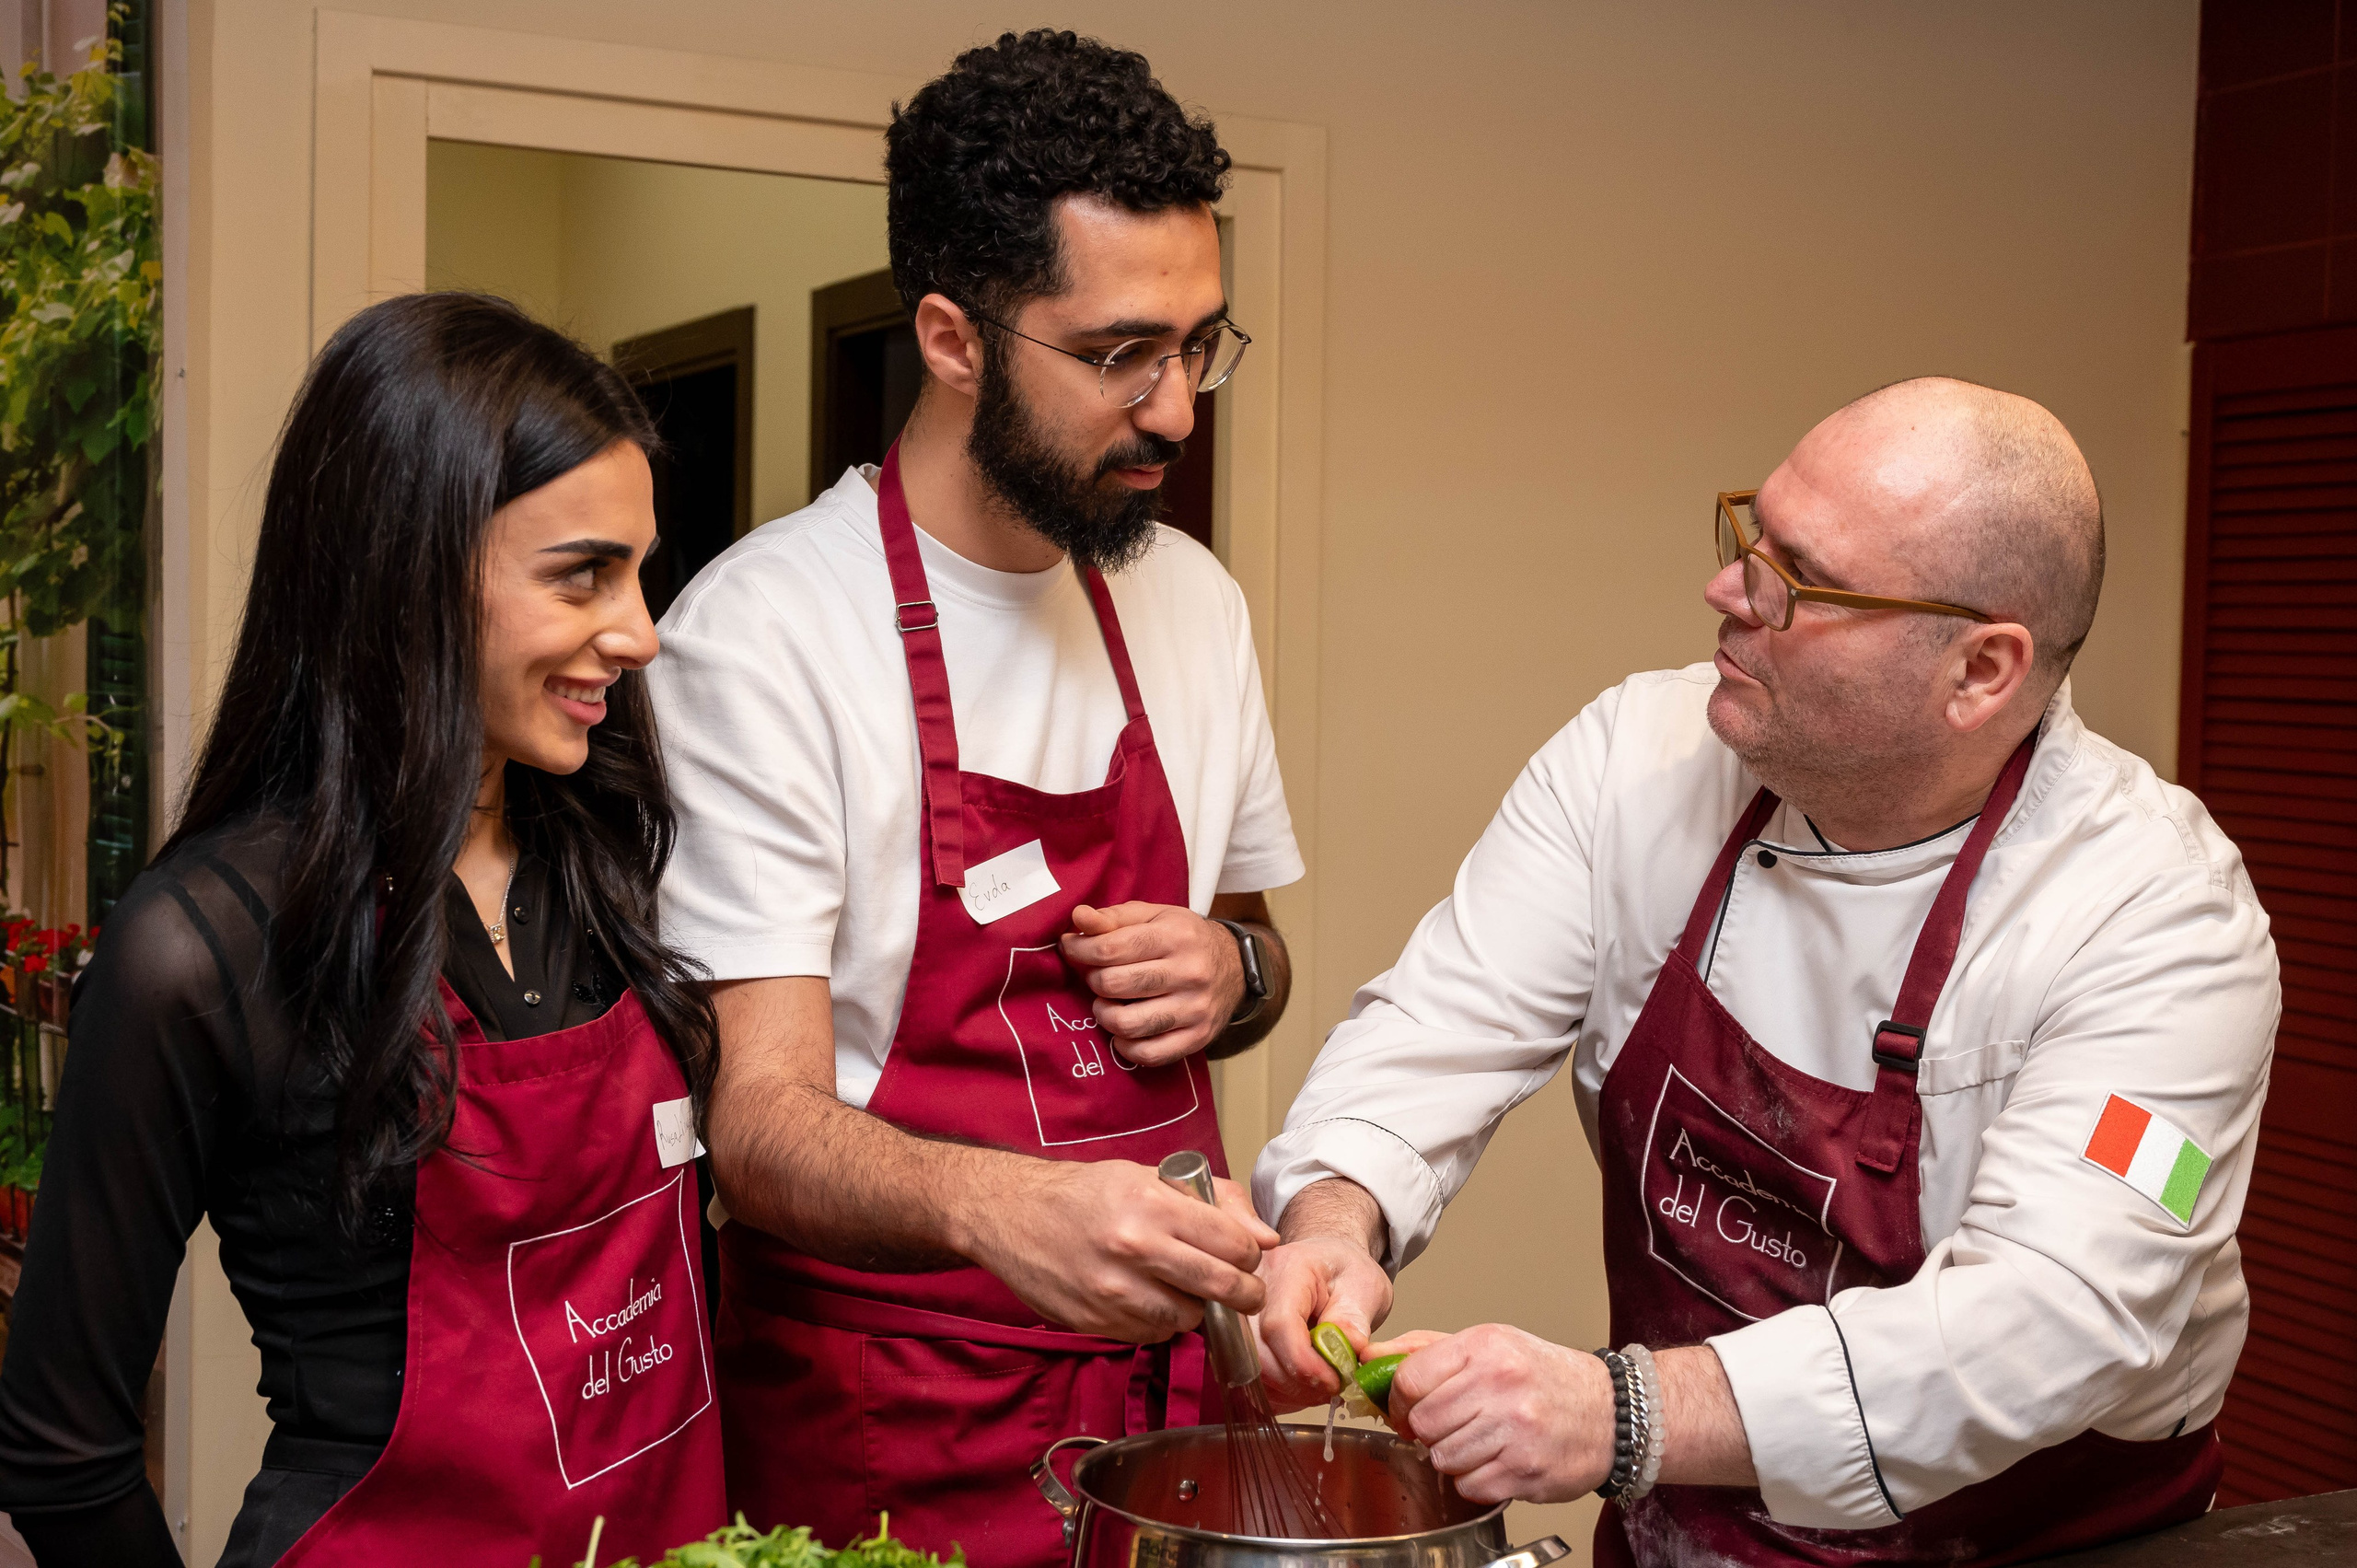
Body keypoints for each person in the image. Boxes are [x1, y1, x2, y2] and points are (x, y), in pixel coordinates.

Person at [1250, 378, 2278, 1566]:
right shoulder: (1634, 762)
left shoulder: (2166, 924)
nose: (1729, 590)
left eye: (1802, 579)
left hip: (2033, 1547)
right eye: (1751, 535)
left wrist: (1621, 1413)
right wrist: (1336, 1220)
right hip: (1690, 1529)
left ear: (1981, 670)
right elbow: (1439, 1025)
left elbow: (2054, 1318)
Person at [645, 29, 1300, 1568]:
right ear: (952, 339)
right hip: (895, 1417)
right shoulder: (767, 633)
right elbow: (758, 1125)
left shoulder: (1193, 604)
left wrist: (1235, 970)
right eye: (1121, 354)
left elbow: (1260, 950)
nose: (1177, 410)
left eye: (1200, 345)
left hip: (1171, 1405)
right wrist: (1003, 1208)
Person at [0, 293, 727, 1567]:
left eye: (639, 571)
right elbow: (59, 1453)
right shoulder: (202, 952)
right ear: (411, 569)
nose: (640, 632)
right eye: (583, 575)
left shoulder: (610, 856)